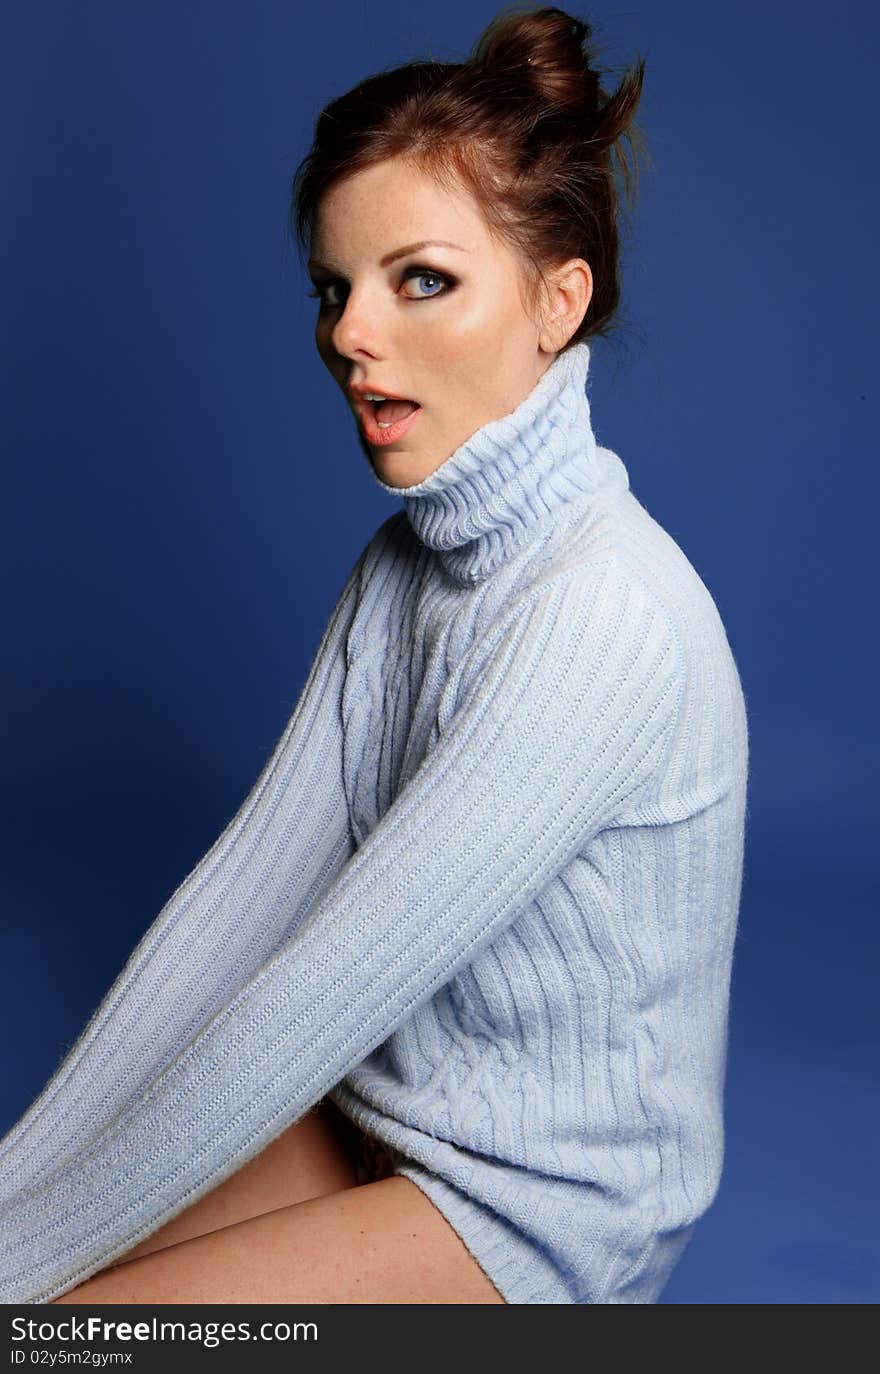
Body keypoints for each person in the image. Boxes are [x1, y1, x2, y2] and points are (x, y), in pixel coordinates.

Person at [0, 5, 749, 1305]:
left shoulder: (599, 616)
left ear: (555, 302)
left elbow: (320, 993)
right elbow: (240, 911)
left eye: (422, 280)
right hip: (384, 1112)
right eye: (334, 287)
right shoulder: (405, 570)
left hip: (542, 1213)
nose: (351, 332)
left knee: (76, 1333)